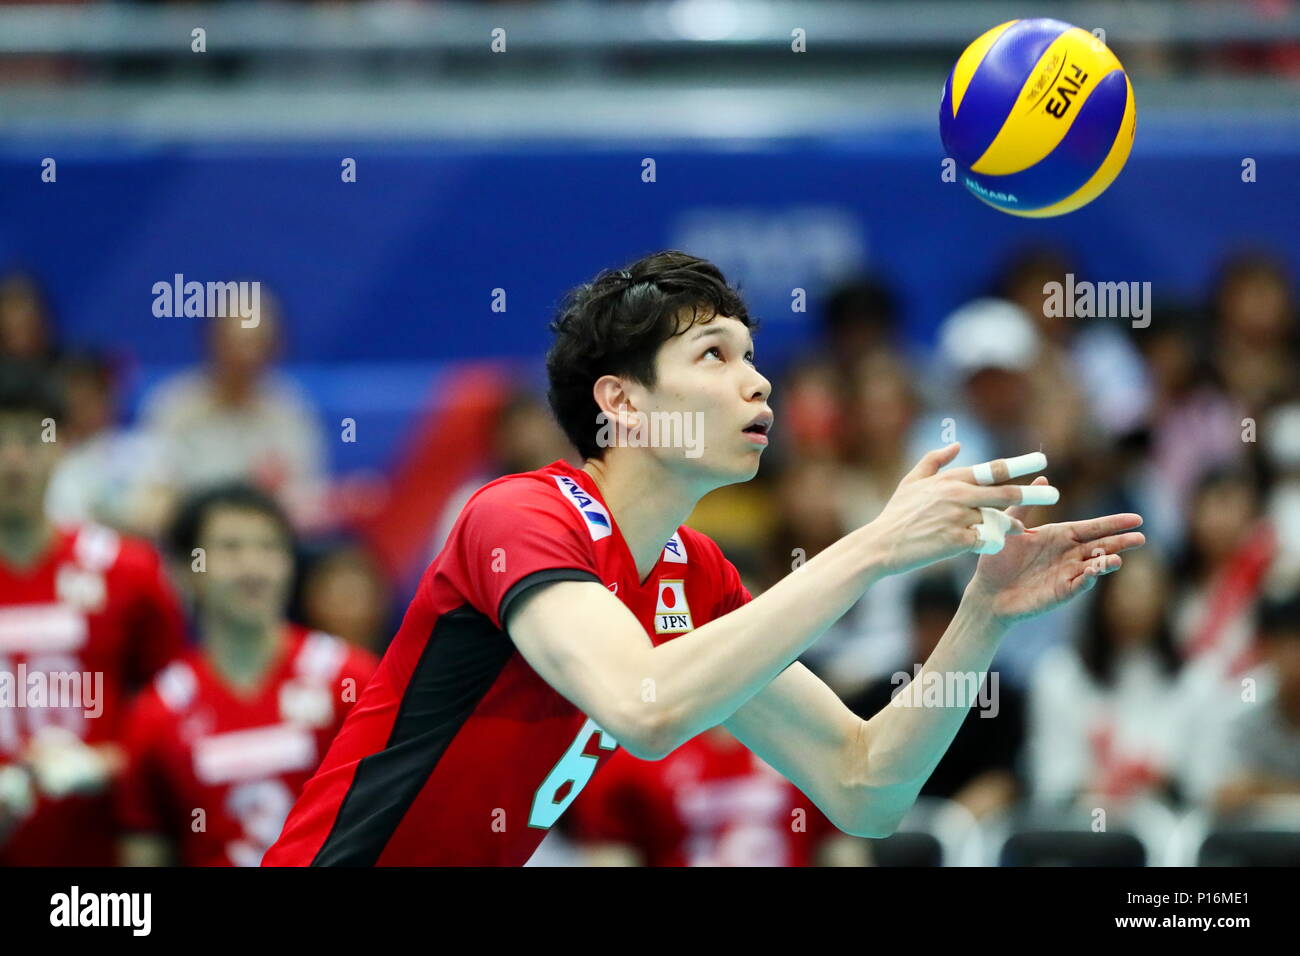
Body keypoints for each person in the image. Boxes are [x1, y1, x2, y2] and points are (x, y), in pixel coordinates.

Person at [263, 250, 1144, 867]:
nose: (757, 381)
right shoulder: (517, 514)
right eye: (713, 356)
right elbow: (645, 705)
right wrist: (876, 544)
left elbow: (864, 787)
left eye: (753, 356)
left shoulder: (695, 573)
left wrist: (981, 614)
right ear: (623, 403)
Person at [116, 484, 376, 866]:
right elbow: (144, 854)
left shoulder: (352, 679)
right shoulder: (157, 714)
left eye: (269, 548)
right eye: (230, 549)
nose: (254, 568)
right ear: (188, 571)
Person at [0, 361, 186, 865]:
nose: (13, 460)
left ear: (61, 447)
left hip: (103, 857)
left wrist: (110, 763)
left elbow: (180, 714)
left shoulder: (127, 570)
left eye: (30, 439)